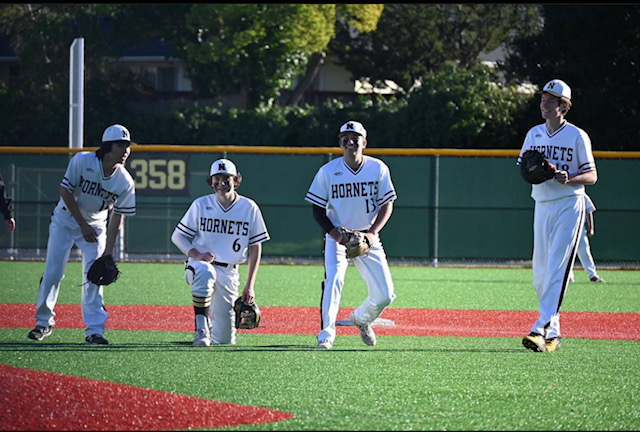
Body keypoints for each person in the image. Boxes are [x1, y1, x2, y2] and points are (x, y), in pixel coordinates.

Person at [27, 124, 137, 345]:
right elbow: (65, 192)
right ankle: (43, 323)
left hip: (96, 226)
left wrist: (108, 252)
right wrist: (81, 224)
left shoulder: (125, 181)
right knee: (53, 272)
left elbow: (117, 217)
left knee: (94, 277)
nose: (125, 150)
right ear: (107, 146)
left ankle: (94, 330)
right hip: (65, 220)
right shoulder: (82, 161)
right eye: (120, 145)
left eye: (128, 146)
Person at [517, 79, 597, 353]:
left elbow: (592, 175)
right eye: (543, 99)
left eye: (551, 100)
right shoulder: (534, 134)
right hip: (542, 204)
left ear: (564, 106)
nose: (544, 104)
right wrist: (535, 172)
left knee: (558, 267)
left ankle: (539, 328)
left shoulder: (576, 136)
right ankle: (554, 333)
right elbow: (524, 168)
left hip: (568, 204)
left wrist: (570, 177)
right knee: (540, 274)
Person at [305, 120, 397, 350]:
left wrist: (373, 233)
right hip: (339, 237)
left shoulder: (378, 168)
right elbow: (317, 209)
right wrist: (336, 235)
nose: (349, 142)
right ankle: (326, 335)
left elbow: (387, 204)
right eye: (345, 139)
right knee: (334, 280)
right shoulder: (328, 171)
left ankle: (361, 319)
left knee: (385, 295)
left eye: (354, 139)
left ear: (364, 143)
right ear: (340, 143)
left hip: (368, 236)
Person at [171, 158, 270, 346]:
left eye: (227, 178)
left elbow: (256, 246)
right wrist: (196, 254)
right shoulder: (201, 204)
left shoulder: (249, 207)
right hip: (199, 266)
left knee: (224, 340)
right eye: (217, 178)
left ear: (236, 180)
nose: (222, 183)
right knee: (205, 272)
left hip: (230, 271)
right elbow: (178, 236)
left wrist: (250, 285)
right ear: (211, 181)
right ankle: (201, 328)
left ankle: (211, 331)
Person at [568, 193, 604, 283]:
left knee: (585, 251)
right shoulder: (562, 194)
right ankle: (568, 275)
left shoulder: (582, 195)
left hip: (579, 228)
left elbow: (589, 211)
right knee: (566, 253)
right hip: (564, 228)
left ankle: (592, 275)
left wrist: (591, 227)